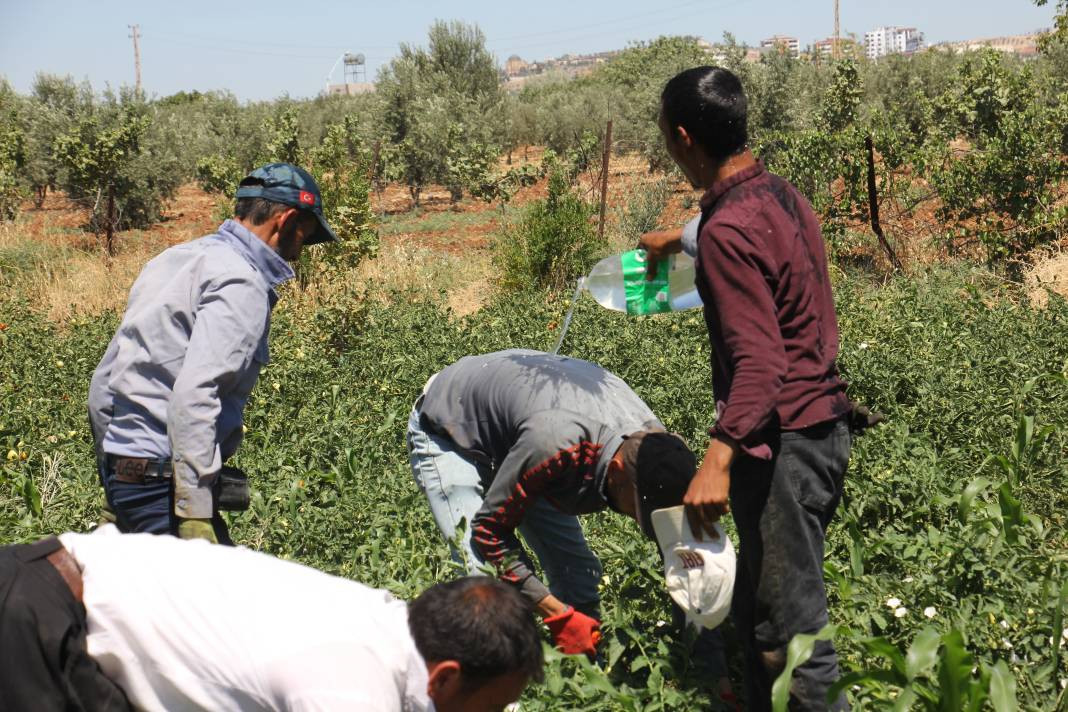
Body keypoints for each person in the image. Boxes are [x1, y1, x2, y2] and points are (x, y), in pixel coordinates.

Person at [640, 66, 854, 710]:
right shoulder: (780, 195)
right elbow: (723, 228)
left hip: (781, 445)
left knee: (793, 638)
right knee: (762, 620)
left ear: (683, 138)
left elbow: (761, 364)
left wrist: (716, 459)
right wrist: (676, 236)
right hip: (823, 429)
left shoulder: (728, 231)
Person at [0, 525, 543, 712]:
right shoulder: (349, 681)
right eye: (490, 707)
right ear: (445, 676)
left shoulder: (387, 626)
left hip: (60, 607)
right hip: (38, 619)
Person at [88, 163, 337, 545]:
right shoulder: (241, 281)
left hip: (131, 482)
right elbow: (195, 394)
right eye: (304, 234)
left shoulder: (175, 259)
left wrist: (115, 479)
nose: (301, 250)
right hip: (164, 489)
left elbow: (104, 384)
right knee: (219, 603)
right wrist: (194, 510)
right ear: (285, 220)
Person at [406, 348, 697, 658]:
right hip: (452, 424)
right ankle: (499, 695)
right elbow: (489, 532)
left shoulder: (661, 452)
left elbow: (682, 556)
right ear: (616, 472)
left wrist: (706, 660)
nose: (642, 522)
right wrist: (556, 613)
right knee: (483, 582)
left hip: (523, 433)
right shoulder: (554, 444)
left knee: (578, 573)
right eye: (640, 511)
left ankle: (584, 666)